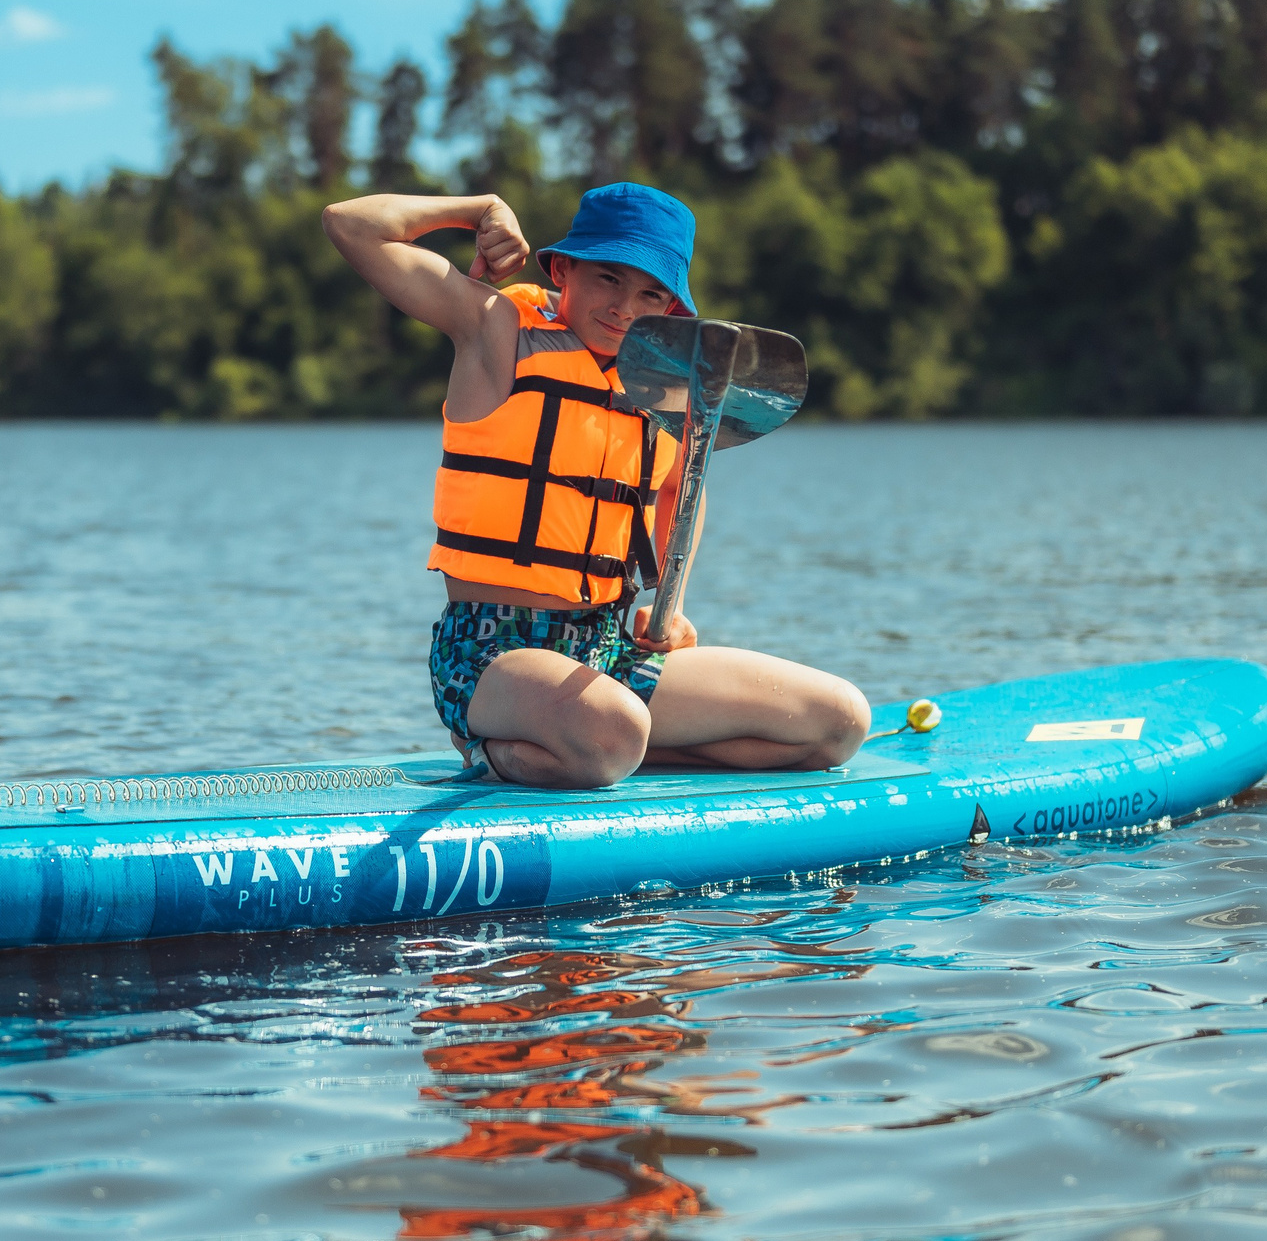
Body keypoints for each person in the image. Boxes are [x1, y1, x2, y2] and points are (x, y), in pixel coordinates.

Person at [323, 182, 871, 788]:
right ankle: (497, 747)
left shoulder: (665, 389)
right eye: (608, 278)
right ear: (563, 269)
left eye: (650, 293)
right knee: (615, 733)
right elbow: (351, 225)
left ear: (671, 309)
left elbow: (677, 488)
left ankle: (601, 752)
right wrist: (475, 211)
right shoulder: (494, 329)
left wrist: (673, 603)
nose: (625, 308)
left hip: (609, 654)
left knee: (838, 723)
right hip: (491, 654)